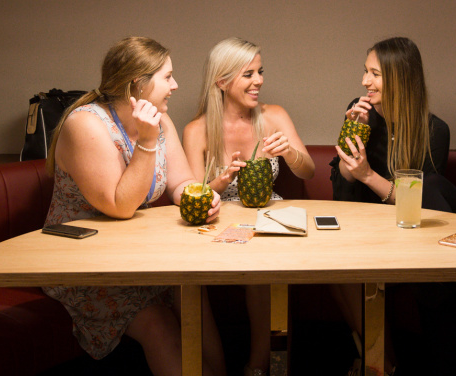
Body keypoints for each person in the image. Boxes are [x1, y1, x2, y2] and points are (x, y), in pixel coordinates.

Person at [42, 36, 226, 376]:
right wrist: (147, 140)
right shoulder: (85, 124)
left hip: (135, 255)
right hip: (82, 262)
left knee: (192, 292)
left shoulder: (160, 120)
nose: (175, 85)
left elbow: (181, 182)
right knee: (156, 321)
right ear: (138, 84)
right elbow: (120, 205)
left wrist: (200, 197)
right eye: (167, 77)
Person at [329, 36, 456, 375]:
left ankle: (377, 363)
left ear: (400, 78)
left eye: (375, 74)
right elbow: (341, 194)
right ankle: (384, 364)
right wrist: (353, 139)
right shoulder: (361, 113)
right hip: (363, 234)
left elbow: (423, 204)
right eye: (365, 71)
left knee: (349, 269)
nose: (365, 81)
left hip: (409, 240)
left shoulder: (434, 131)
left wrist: (368, 175)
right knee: (334, 264)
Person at [183, 36, 315, 376]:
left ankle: (261, 365)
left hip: (270, 217)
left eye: (260, 72)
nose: (259, 81)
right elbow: (193, 195)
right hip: (219, 222)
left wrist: (289, 152)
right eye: (248, 74)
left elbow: (308, 171)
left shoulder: (274, 116)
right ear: (221, 81)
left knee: (263, 269)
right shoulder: (197, 130)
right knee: (251, 267)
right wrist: (221, 181)